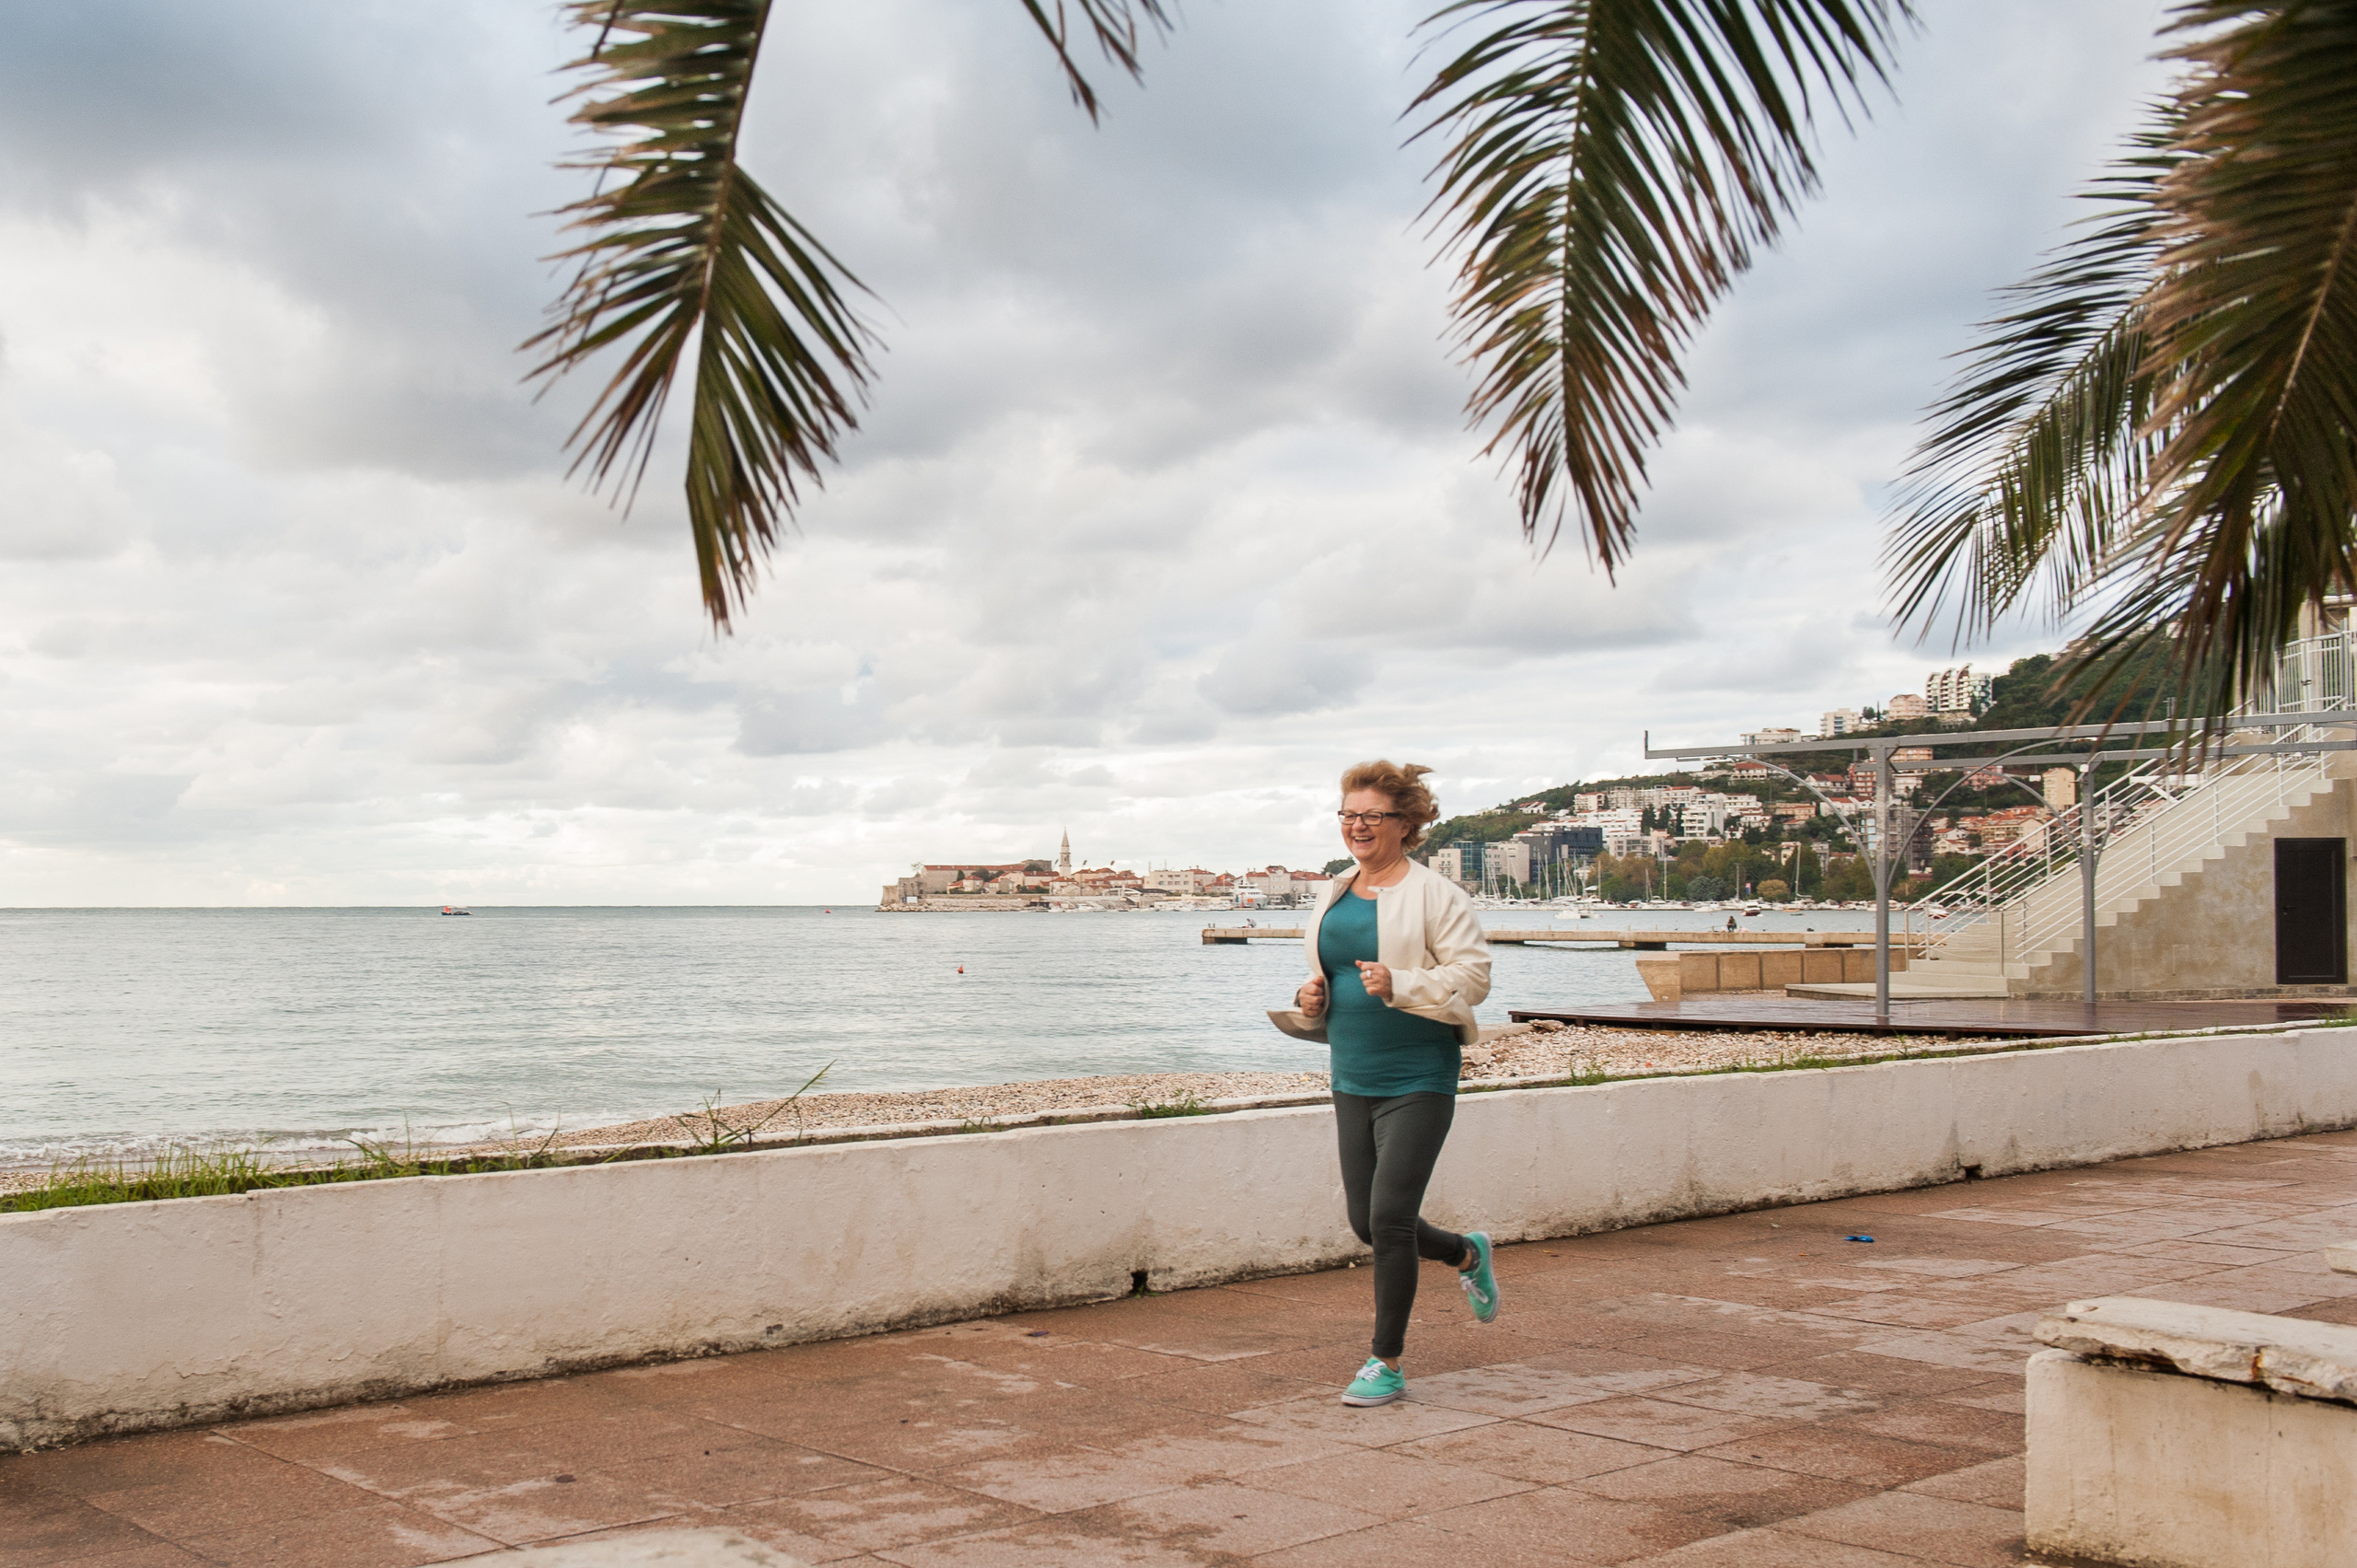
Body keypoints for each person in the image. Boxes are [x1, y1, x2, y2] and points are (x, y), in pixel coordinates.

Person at [1271, 761, 1500, 1408]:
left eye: (1372, 815)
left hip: (1419, 1073)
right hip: (1352, 1072)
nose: (1357, 826)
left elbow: (1474, 978)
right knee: (1366, 1222)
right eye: (1348, 814)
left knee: (1391, 1219)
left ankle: (1386, 1361)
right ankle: (1465, 1253)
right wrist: (1309, 997)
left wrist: (1401, 982)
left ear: (1406, 823)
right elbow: (1333, 973)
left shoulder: (1436, 894)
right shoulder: (1335, 890)